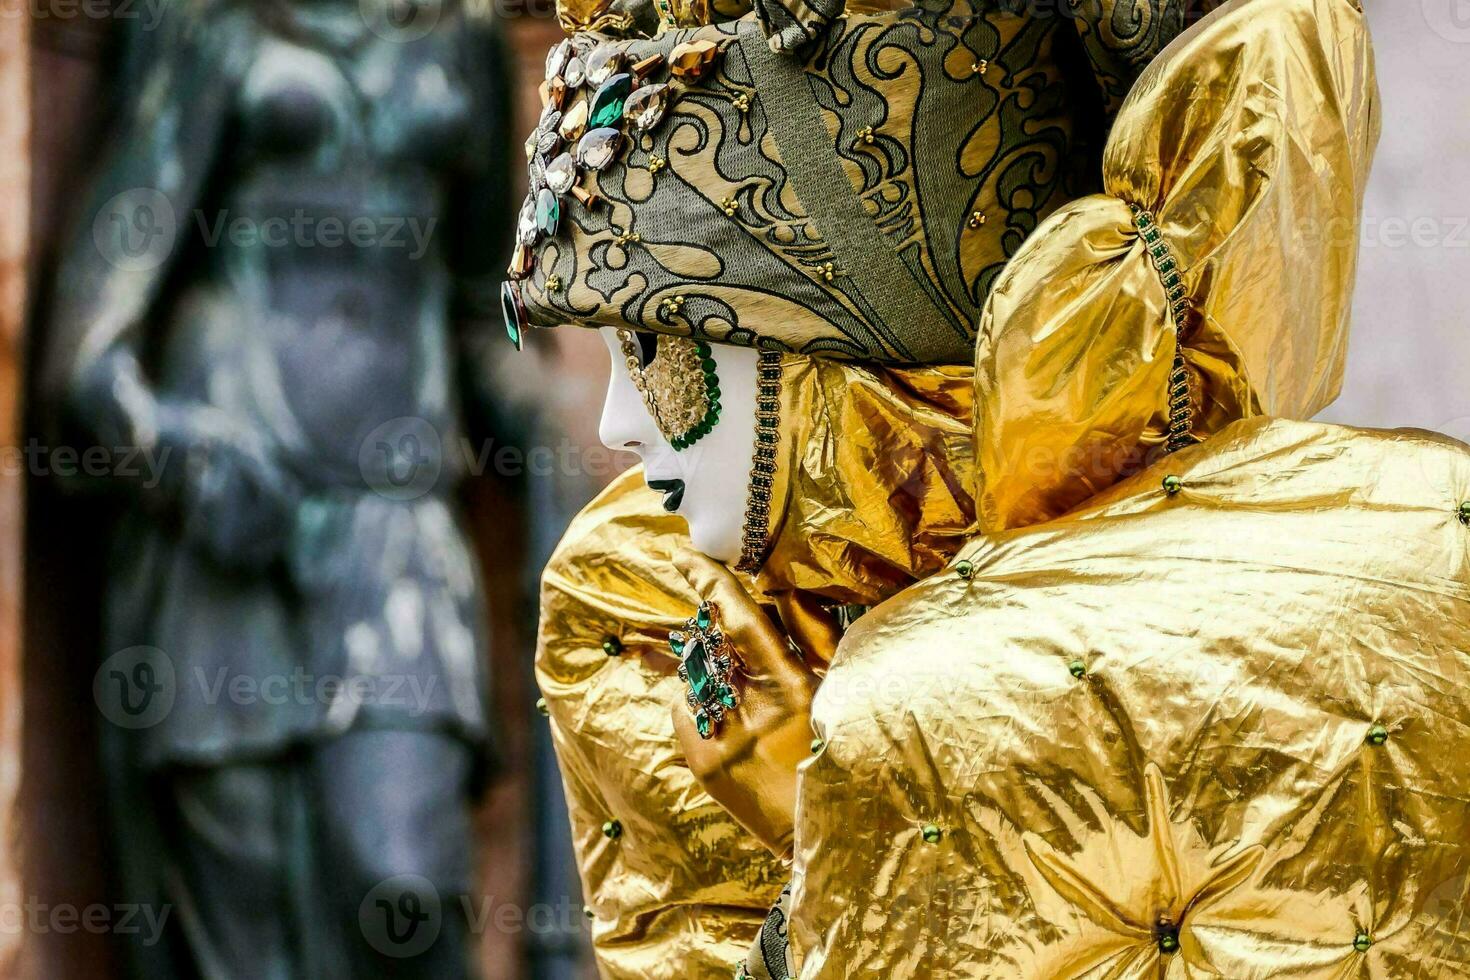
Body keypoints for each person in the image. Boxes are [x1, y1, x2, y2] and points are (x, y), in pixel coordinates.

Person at [50, 0, 512, 974]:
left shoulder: (463, 32)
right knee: (248, 926)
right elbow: (90, 348)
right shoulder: (197, 20)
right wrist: (171, 446)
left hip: (395, 522)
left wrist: (571, 440)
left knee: (411, 889)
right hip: (228, 517)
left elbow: (495, 305)